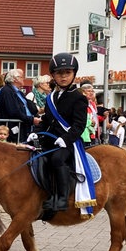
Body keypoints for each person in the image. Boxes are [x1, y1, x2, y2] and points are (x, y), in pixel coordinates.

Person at [27, 53, 88, 213]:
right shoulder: (51, 98)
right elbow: (47, 119)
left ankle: (62, 197)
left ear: (74, 74)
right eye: (59, 73)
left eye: (67, 73)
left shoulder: (78, 97)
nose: (63, 77)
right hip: (52, 139)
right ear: (53, 75)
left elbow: (79, 125)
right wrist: (36, 132)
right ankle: (46, 194)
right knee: (35, 157)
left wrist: (65, 139)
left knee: (57, 159)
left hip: (69, 141)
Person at [0, 68, 40, 142]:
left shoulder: (18, 92)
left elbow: (27, 107)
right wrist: (31, 120)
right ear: (15, 79)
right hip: (13, 128)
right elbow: (13, 111)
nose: (24, 78)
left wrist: (36, 117)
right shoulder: (7, 91)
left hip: (23, 127)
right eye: (21, 77)